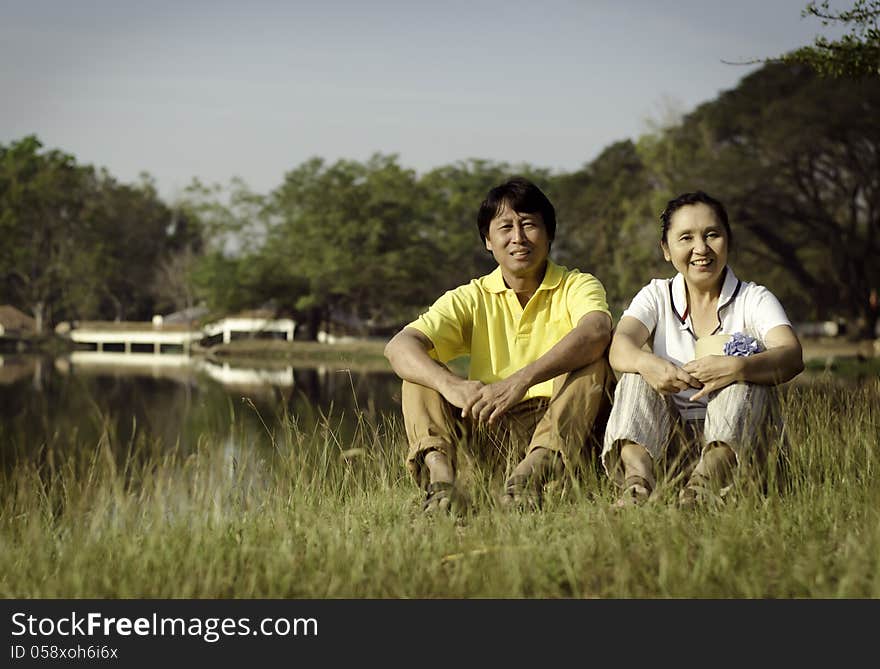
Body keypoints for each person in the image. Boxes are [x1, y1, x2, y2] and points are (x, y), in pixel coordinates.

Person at [384, 177, 615, 513]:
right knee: (419, 372)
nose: (518, 238)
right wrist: (452, 386)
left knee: (593, 360)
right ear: (488, 241)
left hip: (559, 427)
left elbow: (596, 330)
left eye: (529, 225)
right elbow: (398, 346)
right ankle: (442, 486)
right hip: (490, 423)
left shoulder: (576, 285)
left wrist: (520, 381)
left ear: (549, 234)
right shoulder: (471, 296)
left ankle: (532, 475)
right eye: (506, 227)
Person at [601, 190, 804, 507]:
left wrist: (739, 368)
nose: (701, 249)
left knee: (745, 376)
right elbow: (620, 346)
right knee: (635, 375)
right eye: (686, 238)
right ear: (667, 250)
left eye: (712, 235)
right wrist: (647, 363)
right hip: (672, 449)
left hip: (744, 455)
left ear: (728, 241)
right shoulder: (656, 294)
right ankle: (637, 487)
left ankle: (703, 488)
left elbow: (791, 355)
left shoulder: (755, 298)